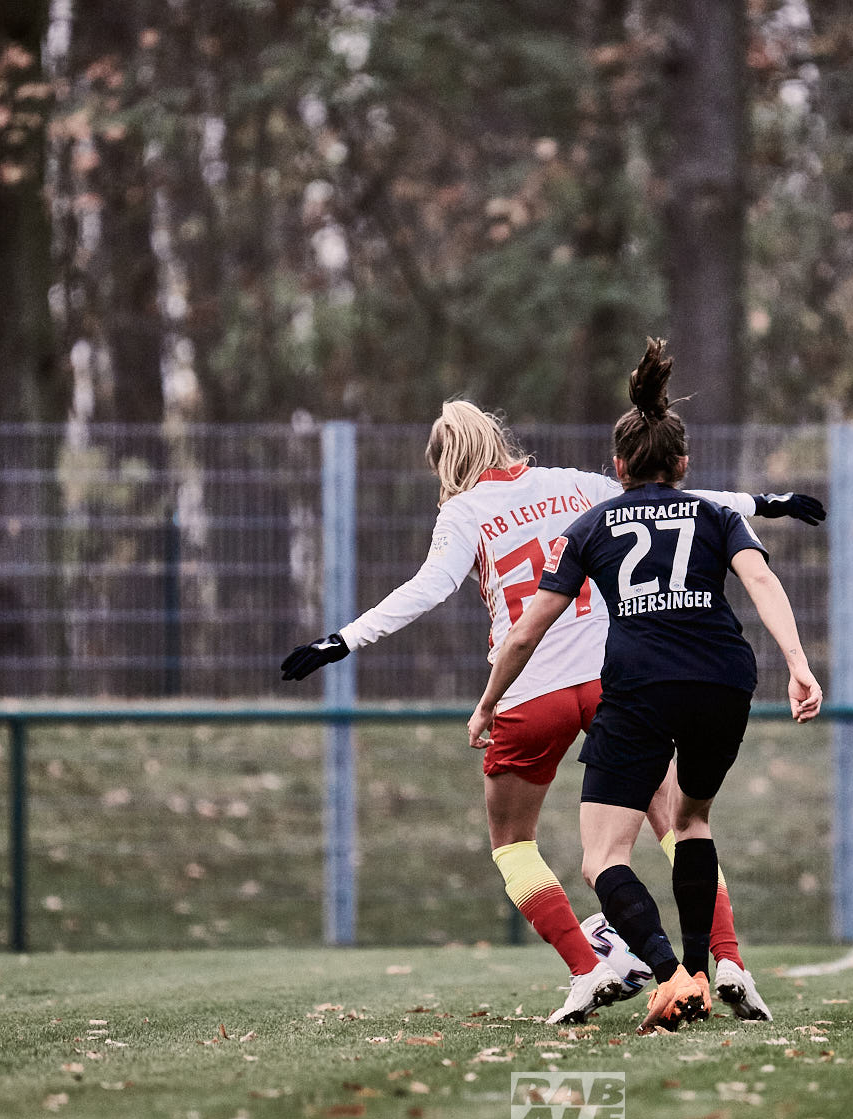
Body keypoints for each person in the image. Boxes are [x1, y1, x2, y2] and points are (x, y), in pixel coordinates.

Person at [281, 399, 823, 1024]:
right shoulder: (574, 484)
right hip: (611, 680)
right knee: (681, 822)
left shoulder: (463, 511)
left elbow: (429, 588)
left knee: (513, 842)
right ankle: (725, 960)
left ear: (444, 464)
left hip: (528, 690)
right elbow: (673, 502)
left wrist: (343, 640)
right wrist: (766, 503)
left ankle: (589, 969)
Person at [467, 339, 822, 1033]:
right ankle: (704, 970)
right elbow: (760, 579)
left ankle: (670, 974)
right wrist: (799, 663)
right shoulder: (716, 515)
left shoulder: (591, 525)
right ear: (683, 465)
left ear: (619, 467)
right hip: (724, 678)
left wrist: (487, 704)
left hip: (640, 688)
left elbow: (526, 633)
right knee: (691, 822)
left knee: (603, 857)